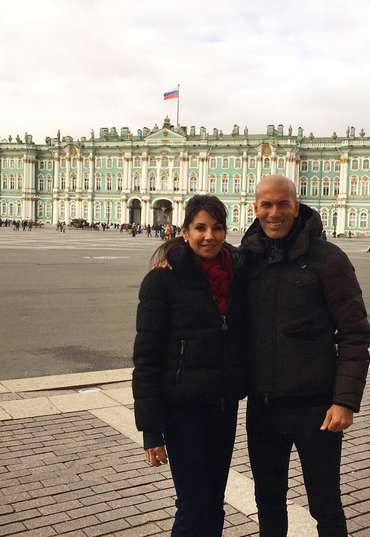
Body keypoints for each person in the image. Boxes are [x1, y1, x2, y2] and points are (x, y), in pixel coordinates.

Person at [241, 175, 370, 537]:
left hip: (316, 409)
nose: (274, 212)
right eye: (266, 205)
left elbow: (354, 334)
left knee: (325, 503)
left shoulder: (328, 259)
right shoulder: (247, 258)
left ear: (296, 207)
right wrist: (170, 261)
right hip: (263, 406)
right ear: (255, 208)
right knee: (267, 501)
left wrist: (344, 401)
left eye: (283, 204)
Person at [131, 195, 249, 536]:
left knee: (214, 501)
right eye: (200, 228)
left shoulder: (238, 273)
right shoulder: (162, 279)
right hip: (182, 411)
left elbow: (267, 238)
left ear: (226, 232)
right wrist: (151, 430)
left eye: (216, 228)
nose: (208, 236)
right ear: (184, 231)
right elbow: (146, 357)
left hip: (223, 407)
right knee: (193, 504)